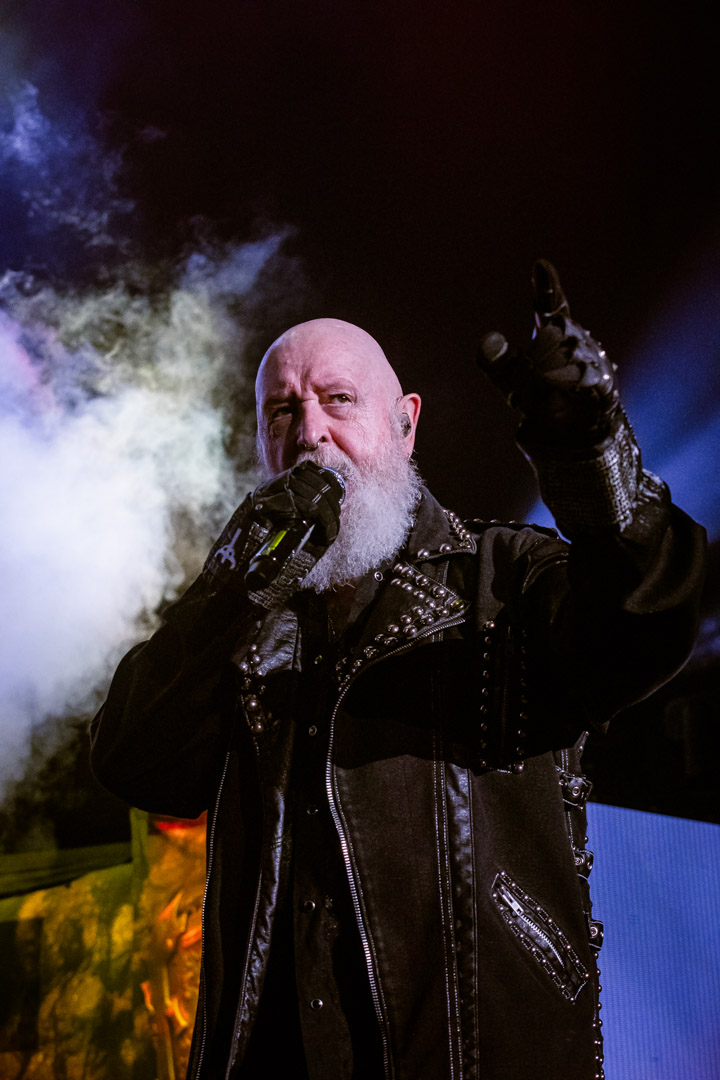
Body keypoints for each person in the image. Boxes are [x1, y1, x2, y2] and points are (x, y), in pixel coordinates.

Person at [91, 262, 706, 1080]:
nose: (310, 431)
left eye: (338, 400)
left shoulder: (503, 580)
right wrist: (231, 585)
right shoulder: (241, 632)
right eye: (283, 410)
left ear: (405, 423)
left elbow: (649, 617)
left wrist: (590, 460)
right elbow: (132, 759)